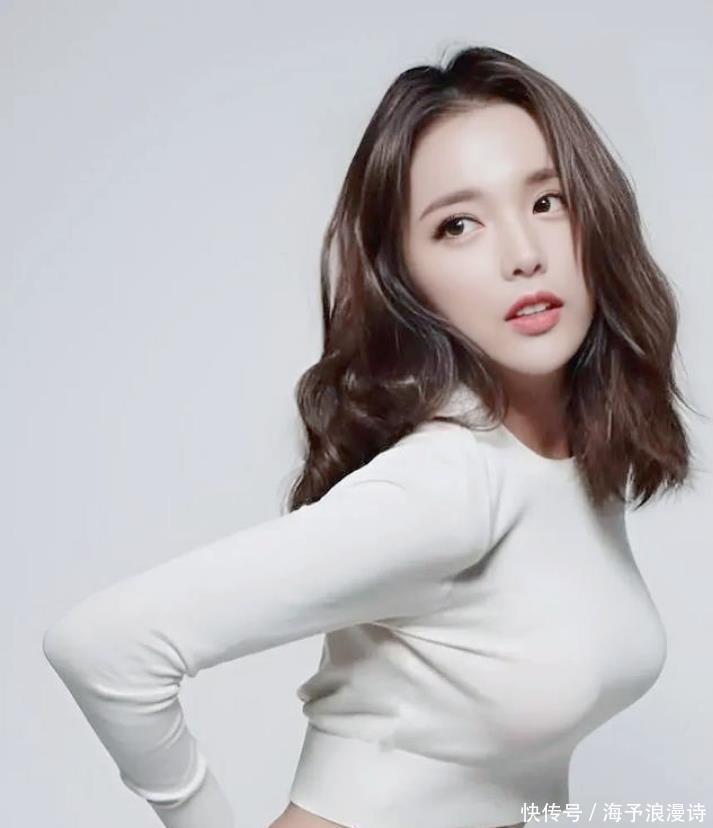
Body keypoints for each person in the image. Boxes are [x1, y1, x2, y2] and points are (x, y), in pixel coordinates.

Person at [42, 44, 695, 828]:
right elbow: (103, 646)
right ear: (404, 278)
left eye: (547, 201)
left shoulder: (571, 454)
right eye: (458, 225)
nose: (523, 256)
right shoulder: (451, 483)